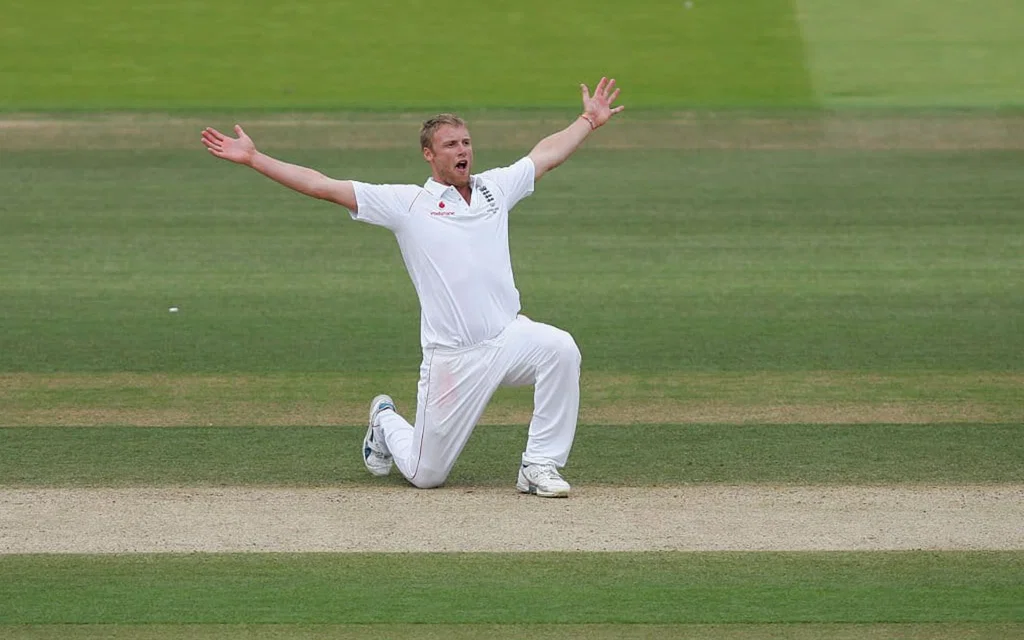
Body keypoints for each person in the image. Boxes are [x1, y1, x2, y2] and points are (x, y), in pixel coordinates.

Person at [201, 77, 623, 497]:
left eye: (466, 142)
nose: (463, 151)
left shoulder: (494, 189)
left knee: (560, 348)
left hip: (508, 337)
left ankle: (539, 465)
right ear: (428, 154)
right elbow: (323, 185)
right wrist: (256, 159)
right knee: (427, 475)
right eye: (451, 145)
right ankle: (385, 419)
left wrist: (588, 120)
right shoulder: (407, 205)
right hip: (453, 358)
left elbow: (545, 156)